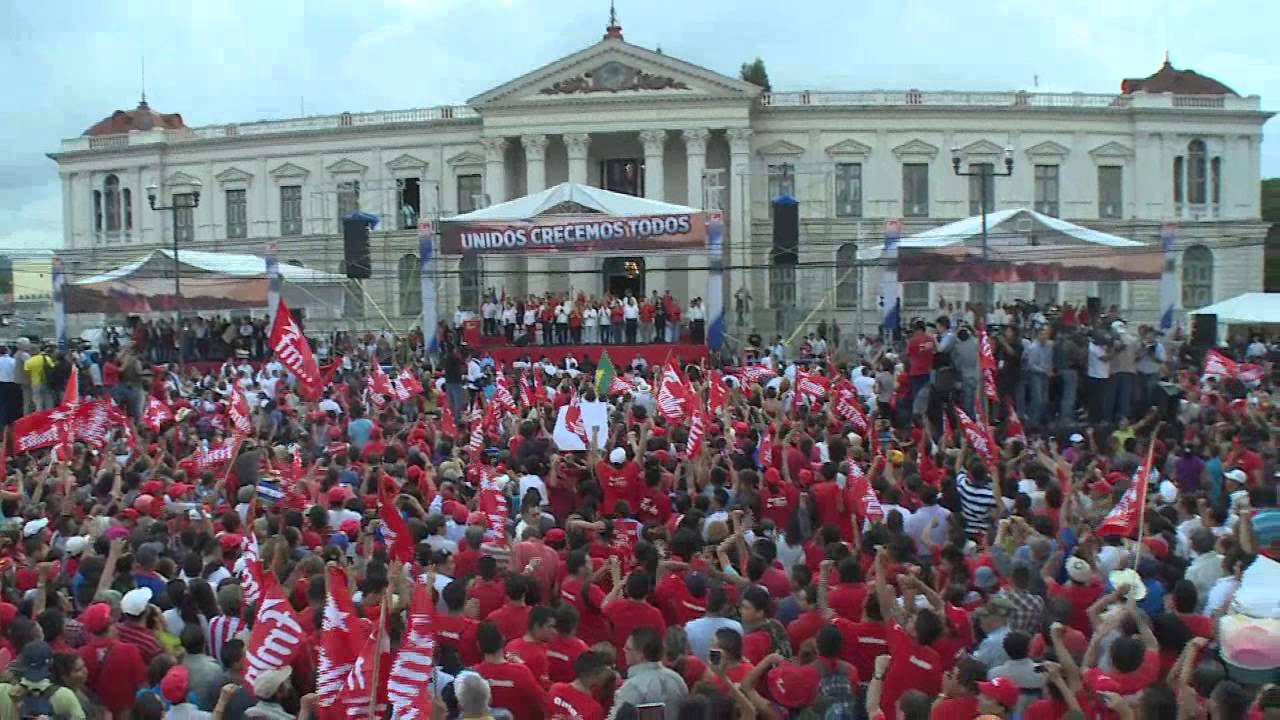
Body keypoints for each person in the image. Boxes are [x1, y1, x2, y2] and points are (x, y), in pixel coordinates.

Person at [610, 627, 687, 720]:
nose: (624, 651)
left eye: (628, 648)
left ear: (640, 654)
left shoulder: (633, 686)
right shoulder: (677, 679)